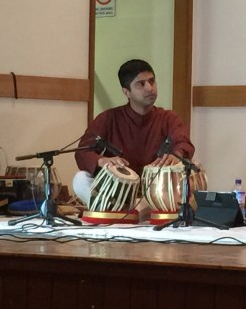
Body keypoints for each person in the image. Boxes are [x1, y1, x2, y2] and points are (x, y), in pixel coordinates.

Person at [73, 59, 195, 206]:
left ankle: (118, 211)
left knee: (188, 179)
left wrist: (177, 155)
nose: (149, 88)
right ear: (126, 92)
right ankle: (116, 208)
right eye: (141, 84)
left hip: (154, 194)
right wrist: (101, 161)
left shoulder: (168, 118)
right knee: (80, 179)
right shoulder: (108, 118)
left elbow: (184, 143)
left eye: (152, 81)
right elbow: (82, 152)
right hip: (116, 192)